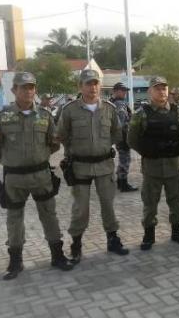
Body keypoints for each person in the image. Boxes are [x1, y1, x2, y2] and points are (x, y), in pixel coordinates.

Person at [0, 72, 72, 280]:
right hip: (14, 179)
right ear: (14, 90)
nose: (28, 91)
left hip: (41, 175)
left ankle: (57, 255)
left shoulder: (44, 116)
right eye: (23, 87)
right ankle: (15, 261)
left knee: (49, 215)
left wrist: (39, 157)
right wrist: (10, 161)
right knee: (14, 219)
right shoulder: (2, 117)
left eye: (31, 87)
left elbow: (54, 143)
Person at [56, 69, 129, 263]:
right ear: (80, 86)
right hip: (79, 166)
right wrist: (73, 151)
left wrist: (103, 147)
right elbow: (61, 134)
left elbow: (117, 133)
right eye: (88, 83)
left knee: (108, 204)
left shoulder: (109, 108)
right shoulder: (70, 110)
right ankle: (76, 243)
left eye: (96, 83)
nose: (93, 87)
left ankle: (112, 239)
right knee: (81, 208)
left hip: (104, 165)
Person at [127, 76, 179, 249]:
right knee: (150, 202)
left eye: (164, 88)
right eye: (157, 88)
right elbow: (131, 139)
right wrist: (148, 151)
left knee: (176, 201)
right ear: (150, 91)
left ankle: (178, 231)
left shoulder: (177, 112)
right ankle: (149, 235)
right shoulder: (141, 114)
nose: (161, 91)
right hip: (152, 167)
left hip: (173, 166)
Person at [110, 82, 138, 192]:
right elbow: (120, 123)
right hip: (123, 136)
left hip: (121, 137)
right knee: (125, 160)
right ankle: (123, 183)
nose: (125, 93)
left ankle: (120, 182)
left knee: (123, 159)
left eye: (125, 91)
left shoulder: (112, 102)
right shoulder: (119, 104)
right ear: (116, 91)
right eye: (123, 91)